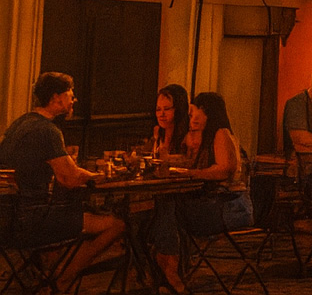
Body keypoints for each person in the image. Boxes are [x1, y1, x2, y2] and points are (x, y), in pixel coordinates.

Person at [0, 73, 126, 291]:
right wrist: (103, 176)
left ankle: (48, 272)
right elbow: (69, 179)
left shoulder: (20, 123)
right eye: (71, 95)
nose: (74, 100)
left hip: (7, 219)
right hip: (32, 222)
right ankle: (65, 277)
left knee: (80, 211)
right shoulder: (47, 131)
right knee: (117, 224)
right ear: (56, 98)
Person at [151, 92, 252, 294]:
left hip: (230, 207)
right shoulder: (204, 137)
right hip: (216, 204)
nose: (194, 119)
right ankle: (167, 268)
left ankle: (168, 269)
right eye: (192, 114)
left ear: (212, 115)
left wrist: (193, 173)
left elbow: (225, 168)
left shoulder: (221, 134)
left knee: (168, 207)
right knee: (163, 209)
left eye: (200, 114)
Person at [152, 83, 191, 161]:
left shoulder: (188, 136)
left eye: (167, 109)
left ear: (179, 109)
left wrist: (167, 158)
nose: (161, 114)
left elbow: (190, 160)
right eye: (158, 109)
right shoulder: (159, 134)